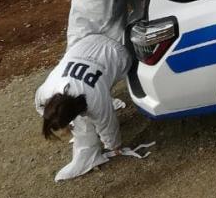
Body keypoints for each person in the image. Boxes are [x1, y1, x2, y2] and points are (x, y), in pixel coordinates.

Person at [36, 34, 148, 181]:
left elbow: (108, 123)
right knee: (90, 109)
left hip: (118, 54)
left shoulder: (94, 99)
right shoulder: (45, 92)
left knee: (87, 119)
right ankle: (85, 142)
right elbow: (40, 107)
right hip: (87, 42)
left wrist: (114, 145)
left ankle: (88, 153)